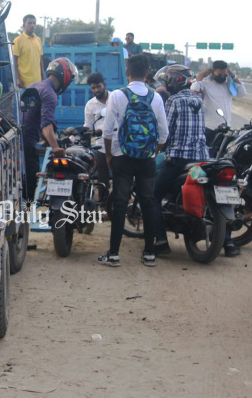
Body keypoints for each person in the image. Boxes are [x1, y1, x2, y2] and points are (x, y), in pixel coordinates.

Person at [150, 65, 241, 257]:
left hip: (178, 159)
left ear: (174, 82)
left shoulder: (173, 100)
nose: (165, 86)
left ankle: (161, 241)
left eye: (166, 82)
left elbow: (164, 132)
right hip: (201, 157)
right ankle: (229, 243)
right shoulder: (197, 99)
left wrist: (157, 145)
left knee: (154, 196)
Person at [99, 54, 168, 267]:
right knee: (147, 202)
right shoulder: (156, 97)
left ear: (127, 72)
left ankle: (114, 254)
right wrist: (153, 153)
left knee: (120, 203)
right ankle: (149, 253)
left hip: (123, 156)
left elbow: (107, 130)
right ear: (147, 73)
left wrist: (109, 155)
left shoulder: (118, 95)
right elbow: (163, 134)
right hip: (147, 158)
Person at [22, 58, 78, 195]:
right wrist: (55, 147)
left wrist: (46, 138)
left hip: (17, 142)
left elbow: (31, 115)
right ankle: (26, 213)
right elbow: (46, 124)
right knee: (30, 186)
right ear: (65, 76)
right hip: (28, 145)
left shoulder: (34, 86)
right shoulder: (50, 94)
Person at [191, 60, 246, 148]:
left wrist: (233, 75)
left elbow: (242, 93)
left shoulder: (228, 85)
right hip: (210, 128)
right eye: (219, 75)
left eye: (224, 75)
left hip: (226, 128)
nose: (222, 77)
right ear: (212, 72)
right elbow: (194, 90)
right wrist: (201, 74)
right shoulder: (205, 84)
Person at [83, 72, 110, 187]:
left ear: (104, 84)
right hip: (101, 146)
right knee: (102, 179)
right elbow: (88, 125)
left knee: (121, 177)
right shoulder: (90, 104)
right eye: (93, 88)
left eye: (98, 86)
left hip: (118, 145)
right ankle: (103, 203)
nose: (96, 90)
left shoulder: (115, 98)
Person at [12, 14, 44, 87]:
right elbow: (14, 61)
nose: (32, 25)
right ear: (24, 25)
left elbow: (40, 60)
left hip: (38, 81)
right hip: (24, 83)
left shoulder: (38, 40)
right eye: (29, 23)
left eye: (34, 23)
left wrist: (43, 78)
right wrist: (18, 79)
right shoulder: (18, 40)